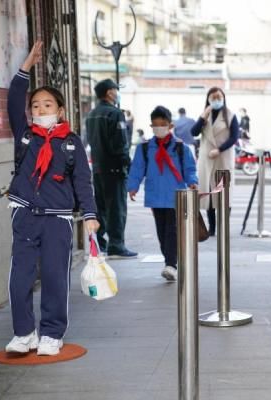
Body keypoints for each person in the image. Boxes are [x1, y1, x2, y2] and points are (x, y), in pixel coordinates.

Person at [5, 41, 99, 356]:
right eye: (35, 106)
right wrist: (25, 67)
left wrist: (90, 215)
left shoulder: (71, 143)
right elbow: (14, 98)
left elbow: (84, 183)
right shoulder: (26, 136)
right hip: (25, 215)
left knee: (56, 278)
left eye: (47, 105)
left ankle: (51, 334)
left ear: (59, 111)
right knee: (20, 279)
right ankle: (24, 333)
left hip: (57, 219)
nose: (40, 109)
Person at [127, 106, 198, 282]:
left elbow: (189, 168)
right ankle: (170, 261)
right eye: (156, 125)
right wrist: (132, 186)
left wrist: (192, 181)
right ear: (151, 126)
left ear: (170, 125)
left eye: (163, 124)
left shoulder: (181, 148)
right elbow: (137, 169)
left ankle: (171, 264)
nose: (159, 127)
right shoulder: (145, 148)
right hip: (156, 196)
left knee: (172, 230)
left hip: (176, 196)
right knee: (162, 231)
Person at [86, 78, 137, 259]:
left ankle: (100, 243)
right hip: (115, 169)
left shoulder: (91, 115)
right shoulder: (115, 114)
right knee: (116, 208)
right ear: (109, 92)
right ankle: (117, 245)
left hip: (98, 168)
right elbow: (120, 144)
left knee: (101, 207)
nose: (117, 93)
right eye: (116, 89)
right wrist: (127, 164)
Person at [190, 87, 239, 236]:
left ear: (223, 98)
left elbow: (234, 137)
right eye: (213, 98)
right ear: (208, 99)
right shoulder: (205, 115)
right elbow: (193, 132)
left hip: (222, 157)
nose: (216, 100)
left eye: (219, 97)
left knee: (224, 194)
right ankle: (212, 228)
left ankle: (223, 226)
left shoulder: (230, 115)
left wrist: (220, 149)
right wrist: (203, 116)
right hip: (206, 159)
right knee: (208, 194)